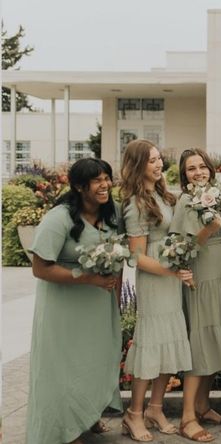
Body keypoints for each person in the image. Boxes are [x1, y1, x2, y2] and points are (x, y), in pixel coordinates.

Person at [26, 158, 122, 444]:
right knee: (64, 367)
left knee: (93, 361)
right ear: (80, 187)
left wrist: (114, 299)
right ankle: (62, 430)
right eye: (97, 180)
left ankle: (88, 416)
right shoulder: (59, 218)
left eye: (107, 178)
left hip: (98, 306)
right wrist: (89, 279)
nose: (105, 185)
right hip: (64, 309)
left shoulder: (111, 212)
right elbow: (40, 268)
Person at [120, 139, 193, 442]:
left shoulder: (164, 195)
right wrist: (171, 270)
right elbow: (136, 256)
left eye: (159, 158)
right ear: (139, 165)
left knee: (168, 343)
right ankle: (134, 414)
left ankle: (156, 408)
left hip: (171, 280)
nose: (159, 163)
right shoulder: (136, 203)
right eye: (151, 160)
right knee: (151, 344)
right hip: (154, 282)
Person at [170, 148, 221, 442]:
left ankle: (203, 404)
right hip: (202, 277)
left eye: (202, 167)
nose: (198, 172)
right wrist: (210, 229)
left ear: (210, 168)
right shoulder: (186, 201)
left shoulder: (216, 195)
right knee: (200, 342)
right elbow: (184, 247)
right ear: (184, 175)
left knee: (215, 338)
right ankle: (187, 417)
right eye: (191, 169)